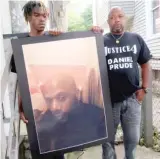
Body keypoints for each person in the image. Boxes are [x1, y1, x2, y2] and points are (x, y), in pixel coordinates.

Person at [92, 6, 151, 159]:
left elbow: (145, 64)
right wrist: (91, 34)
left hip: (132, 99)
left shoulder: (136, 39)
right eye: (112, 17)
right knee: (107, 141)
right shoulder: (101, 41)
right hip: (109, 101)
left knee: (132, 140)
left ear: (124, 19)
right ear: (108, 22)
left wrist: (144, 89)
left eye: (120, 16)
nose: (116, 19)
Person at [10, 1, 64, 159]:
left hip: (56, 105)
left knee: (59, 150)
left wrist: (60, 38)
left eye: (44, 16)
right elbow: (21, 81)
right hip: (35, 108)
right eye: (36, 15)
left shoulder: (54, 41)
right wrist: (21, 106)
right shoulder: (19, 49)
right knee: (39, 150)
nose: (42, 19)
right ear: (28, 17)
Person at [34, 74, 107, 153]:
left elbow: (105, 149)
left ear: (77, 93)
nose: (54, 107)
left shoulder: (97, 115)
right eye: (49, 100)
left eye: (61, 98)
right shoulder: (44, 119)